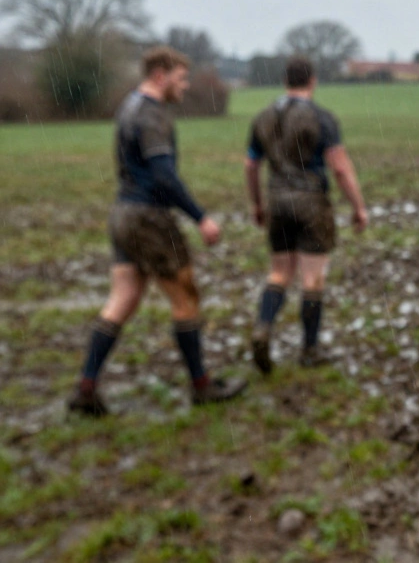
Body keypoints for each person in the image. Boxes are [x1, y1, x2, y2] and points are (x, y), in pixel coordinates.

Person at [69, 47, 247, 416]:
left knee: (124, 299)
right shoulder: (152, 116)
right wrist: (201, 217)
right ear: (161, 74)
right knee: (186, 297)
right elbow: (165, 176)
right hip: (149, 217)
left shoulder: (128, 106)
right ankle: (202, 386)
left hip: (123, 214)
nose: (185, 86)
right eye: (181, 79)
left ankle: (85, 390)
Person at [245, 56, 368, 373]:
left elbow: (250, 165)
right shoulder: (322, 118)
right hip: (312, 201)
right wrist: (358, 207)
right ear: (312, 81)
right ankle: (310, 350)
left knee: (280, 273)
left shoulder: (263, 117)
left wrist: (257, 204)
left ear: (285, 81)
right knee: (312, 277)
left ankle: (263, 326)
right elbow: (340, 168)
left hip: (277, 200)